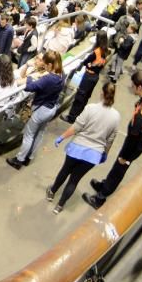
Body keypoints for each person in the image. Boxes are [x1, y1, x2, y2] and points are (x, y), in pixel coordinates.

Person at [82, 70, 142, 209]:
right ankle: (104, 185)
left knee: (119, 169)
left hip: (134, 145)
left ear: (139, 87)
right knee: (117, 167)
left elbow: (133, 139)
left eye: (133, 85)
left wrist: (125, 156)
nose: (131, 86)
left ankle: (100, 198)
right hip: (141, 138)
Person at [46, 82, 119, 214]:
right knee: (74, 180)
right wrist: (105, 154)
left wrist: (62, 137)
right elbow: (110, 139)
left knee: (65, 171)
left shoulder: (90, 108)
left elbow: (76, 127)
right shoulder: (116, 116)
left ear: (102, 93)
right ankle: (60, 206)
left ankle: (52, 192)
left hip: (77, 148)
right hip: (93, 155)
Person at [7, 51, 65, 170]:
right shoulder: (61, 75)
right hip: (51, 108)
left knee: (29, 135)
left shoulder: (49, 78)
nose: (43, 66)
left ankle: (19, 160)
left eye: (45, 64)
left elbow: (30, 87)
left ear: (50, 64)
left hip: (41, 110)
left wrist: (29, 78)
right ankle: (29, 157)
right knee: (40, 133)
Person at [62, 30, 109, 123]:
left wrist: (88, 64)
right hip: (95, 77)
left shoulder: (96, 52)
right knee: (85, 97)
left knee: (79, 97)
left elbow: (86, 61)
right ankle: (79, 115)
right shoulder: (105, 50)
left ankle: (71, 117)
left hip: (89, 76)